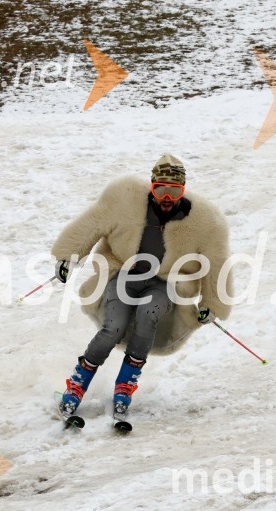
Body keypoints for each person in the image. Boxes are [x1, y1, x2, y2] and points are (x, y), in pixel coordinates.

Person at [51, 154, 233, 421]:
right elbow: (92, 222)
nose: (167, 197)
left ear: (183, 190)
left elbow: (217, 261)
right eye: (161, 189)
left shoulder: (205, 220)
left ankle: (125, 386)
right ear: (151, 186)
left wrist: (213, 303)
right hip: (125, 274)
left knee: (149, 316)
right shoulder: (124, 198)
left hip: (165, 282)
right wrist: (68, 255)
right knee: (114, 327)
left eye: (175, 191)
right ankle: (77, 384)